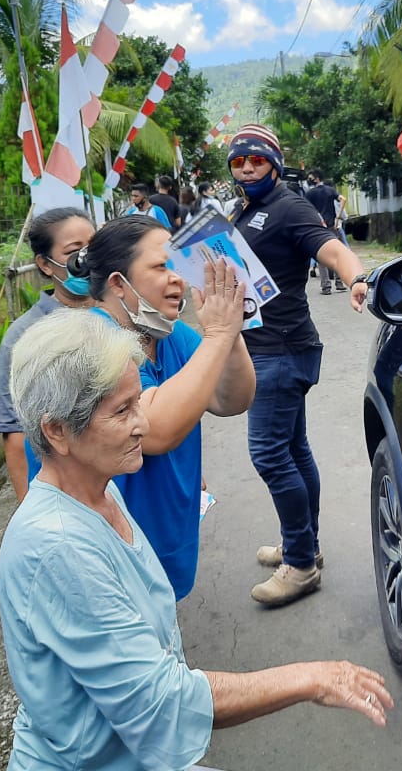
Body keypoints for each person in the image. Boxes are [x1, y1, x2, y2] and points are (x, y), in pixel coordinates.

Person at [0, 309, 393, 770]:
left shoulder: (99, 493)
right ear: (57, 431)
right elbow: (163, 702)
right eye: (122, 411)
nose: (142, 425)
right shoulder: (58, 547)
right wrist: (309, 678)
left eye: (138, 402)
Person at [70, 215, 254, 600]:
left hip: (165, 536)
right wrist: (218, 334)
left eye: (177, 266)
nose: (179, 279)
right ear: (119, 284)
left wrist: (230, 331)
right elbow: (153, 430)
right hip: (111, 553)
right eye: (161, 267)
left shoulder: (171, 335)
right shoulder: (94, 342)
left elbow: (231, 399)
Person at [226, 124, 370, 607]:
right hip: (273, 346)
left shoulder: (287, 206)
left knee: (269, 454)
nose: (247, 168)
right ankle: (302, 544)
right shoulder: (249, 207)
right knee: (293, 447)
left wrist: (354, 276)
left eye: (257, 160)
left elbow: (327, 245)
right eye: (239, 162)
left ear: (275, 163)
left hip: (280, 351)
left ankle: (302, 566)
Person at [0, 207, 97, 502]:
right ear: (45, 265)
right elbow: (14, 433)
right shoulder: (25, 336)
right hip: (66, 495)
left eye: (94, 247)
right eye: (75, 252)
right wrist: (32, 513)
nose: (88, 258)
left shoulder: (119, 312)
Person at [304, 170, 345, 295]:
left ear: (316, 179)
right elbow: (343, 199)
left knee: (321, 257)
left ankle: (326, 286)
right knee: (337, 254)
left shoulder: (310, 193)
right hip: (332, 225)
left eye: (310, 177)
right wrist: (338, 217)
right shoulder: (330, 190)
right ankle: (339, 283)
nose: (309, 180)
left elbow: (306, 209)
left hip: (318, 227)